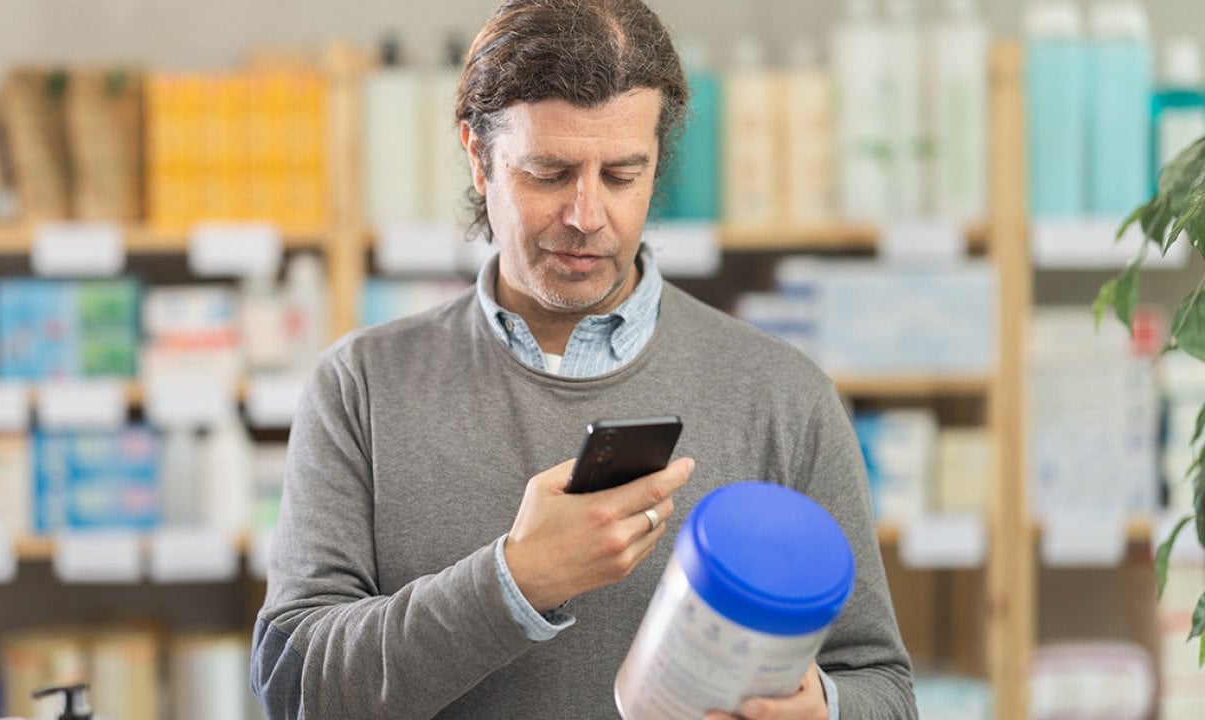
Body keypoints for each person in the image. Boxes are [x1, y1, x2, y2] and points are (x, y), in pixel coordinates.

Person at [251, 0, 917, 718]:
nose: (587, 215)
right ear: (479, 158)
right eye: (549, 172)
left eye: (623, 174)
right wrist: (515, 580)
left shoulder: (782, 396)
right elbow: (297, 687)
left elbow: (884, 686)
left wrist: (826, 709)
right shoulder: (362, 388)